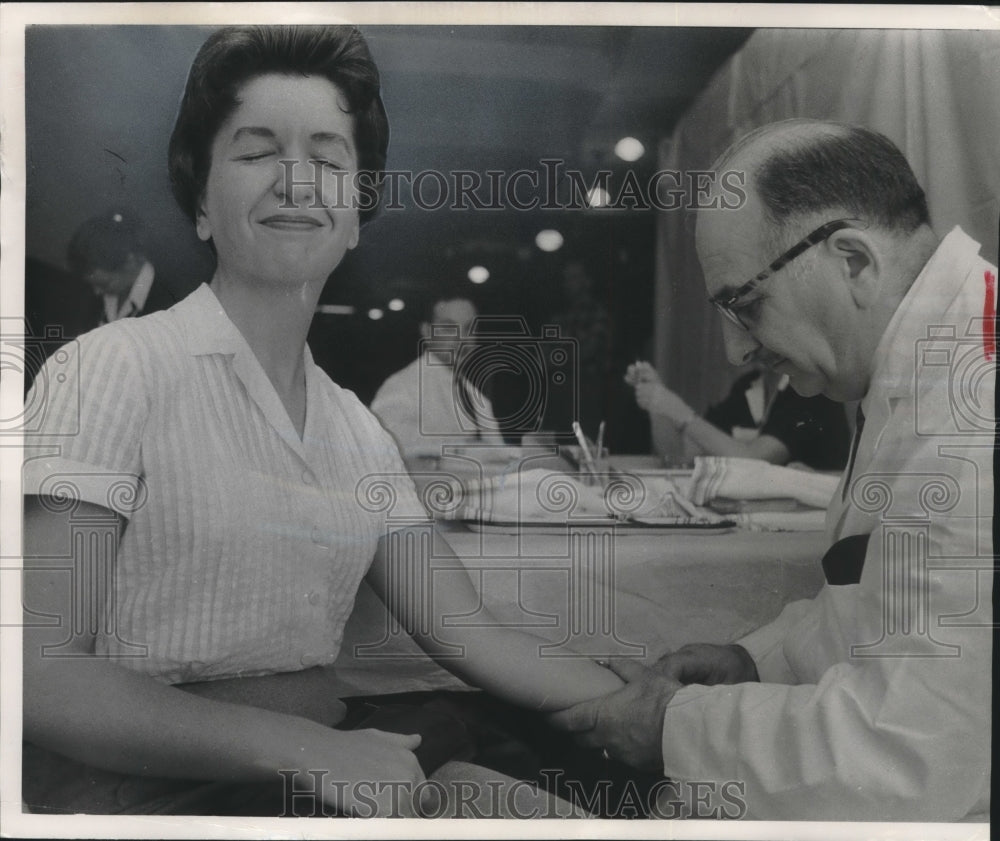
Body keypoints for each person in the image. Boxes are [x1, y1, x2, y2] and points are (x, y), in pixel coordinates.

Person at [21, 25, 624, 819]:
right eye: (258, 150)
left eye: (330, 157)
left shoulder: (356, 428)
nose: (298, 182)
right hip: (145, 791)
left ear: (355, 215)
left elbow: (472, 633)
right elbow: (36, 671)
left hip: (338, 761)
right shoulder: (109, 368)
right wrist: (307, 751)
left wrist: (648, 701)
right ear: (200, 201)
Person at [551, 119, 995, 821]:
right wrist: (756, 658)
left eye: (746, 304)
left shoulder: (970, 421)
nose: (735, 351)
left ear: (852, 261)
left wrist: (674, 727)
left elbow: (909, 757)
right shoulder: (932, 360)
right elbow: (875, 611)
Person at [624, 360, 850, 470]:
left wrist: (679, 411)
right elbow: (680, 455)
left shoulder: (810, 389)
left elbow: (754, 460)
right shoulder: (749, 386)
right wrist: (658, 406)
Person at [370, 295, 506, 461]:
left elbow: (499, 455)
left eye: (469, 329)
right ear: (427, 332)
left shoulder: (476, 397)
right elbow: (384, 449)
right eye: (449, 328)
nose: (462, 339)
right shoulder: (402, 386)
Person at [66, 209, 179, 325]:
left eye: (104, 284)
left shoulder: (172, 302)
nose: (97, 292)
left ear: (131, 262)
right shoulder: (95, 303)